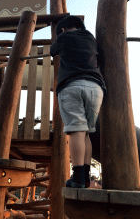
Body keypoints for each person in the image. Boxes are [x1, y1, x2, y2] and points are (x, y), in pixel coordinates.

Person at [50, 15, 106, 188]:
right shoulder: (90, 37)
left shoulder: (63, 37)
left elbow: (53, 51)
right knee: (87, 132)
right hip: (95, 87)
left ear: (63, 29)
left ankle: (77, 177)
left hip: (72, 85)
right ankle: (84, 178)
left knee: (76, 130)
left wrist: (60, 38)